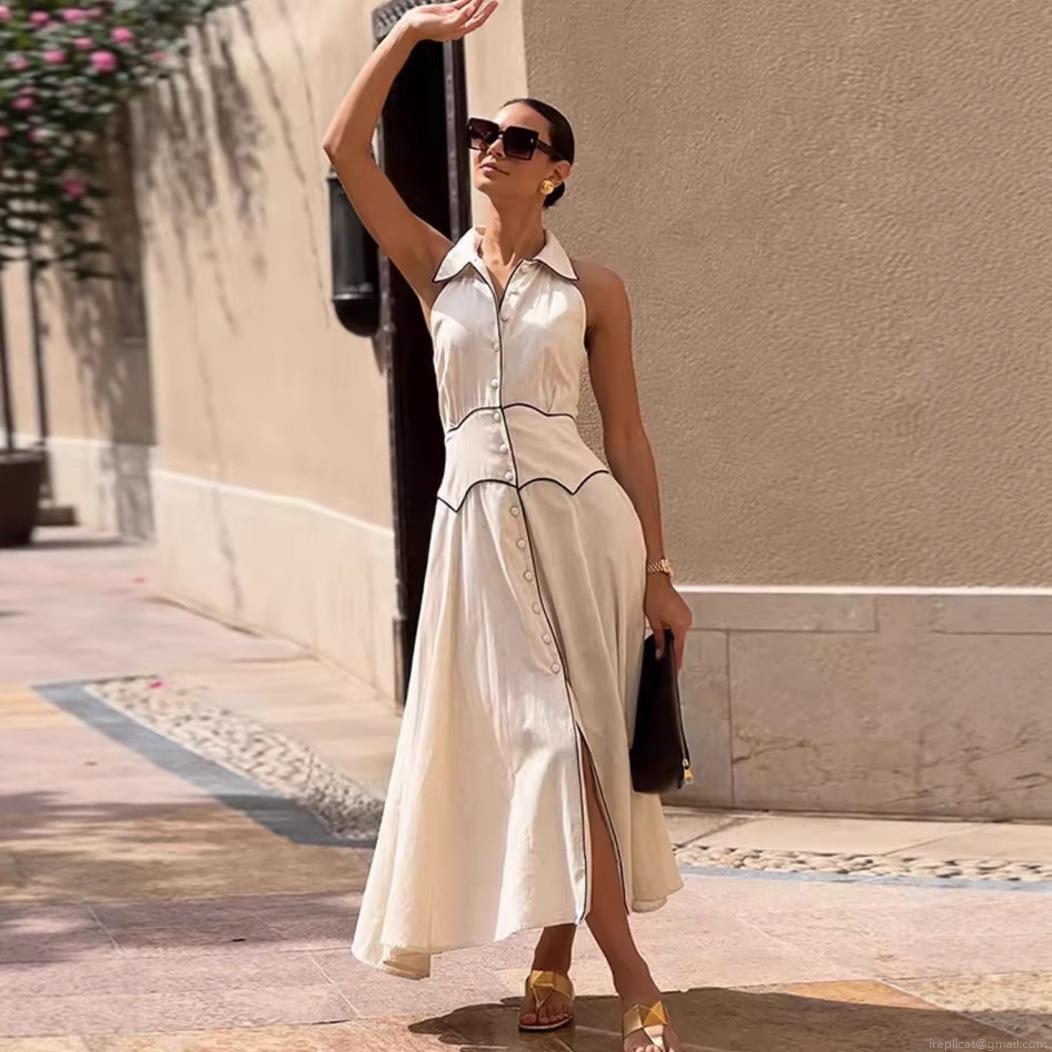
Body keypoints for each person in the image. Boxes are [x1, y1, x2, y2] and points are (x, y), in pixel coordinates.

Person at [322, 2, 693, 1049]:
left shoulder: (595, 289)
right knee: (540, 740)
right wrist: (409, 36)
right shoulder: (429, 265)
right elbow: (343, 151)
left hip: (584, 534)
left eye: (518, 142)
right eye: (484, 135)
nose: (492, 149)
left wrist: (658, 570)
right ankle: (593, 960)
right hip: (475, 539)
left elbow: (626, 434)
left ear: (555, 173)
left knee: (573, 742)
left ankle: (589, 959)